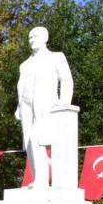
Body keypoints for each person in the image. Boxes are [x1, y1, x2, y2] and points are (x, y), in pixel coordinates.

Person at [15, 26, 72, 190]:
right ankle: (36, 178)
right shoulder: (24, 64)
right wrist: (19, 107)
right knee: (28, 143)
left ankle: (42, 179)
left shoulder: (56, 57)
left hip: (47, 105)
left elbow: (66, 80)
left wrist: (64, 104)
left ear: (45, 38)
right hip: (26, 107)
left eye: (35, 36)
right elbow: (22, 86)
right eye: (29, 37)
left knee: (37, 139)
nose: (31, 39)